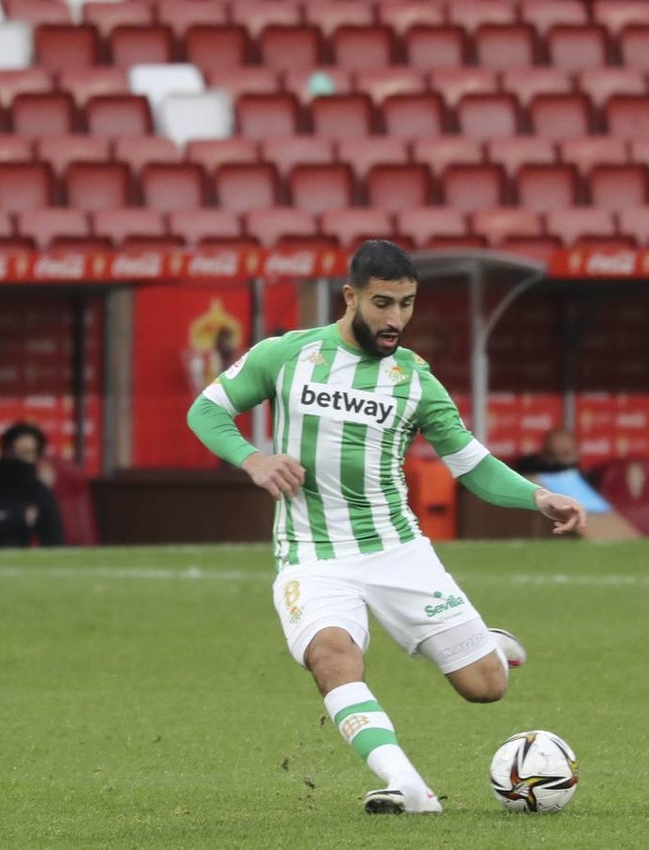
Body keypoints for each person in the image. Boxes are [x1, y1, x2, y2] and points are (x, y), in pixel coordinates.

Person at [187, 240, 587, 815]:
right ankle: (407, 786)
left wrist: (539, 496)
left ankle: (492, 648)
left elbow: (470, 464)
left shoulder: (416, 382)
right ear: (350, 297)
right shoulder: (286, 355)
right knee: (332, 656)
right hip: (311, 554)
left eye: (407, 304)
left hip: (397, 551)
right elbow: (206, 409)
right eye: (382, 303)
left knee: (485, 687)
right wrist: (253, 458)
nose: (396, 318)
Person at [514, 428, 580, 474]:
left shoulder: (574, 470)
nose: (560, 458)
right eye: (560, 442)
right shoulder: (526, 465)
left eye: (566, 452)